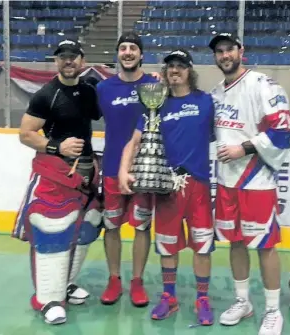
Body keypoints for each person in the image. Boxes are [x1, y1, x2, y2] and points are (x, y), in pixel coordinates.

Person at [118, 49, 216, 325]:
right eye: (170, 66)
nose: (175, 70)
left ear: (190, 70)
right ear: (165, 71)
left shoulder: (206, 102)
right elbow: (135, 141)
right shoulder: (155, 104)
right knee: (167, 245)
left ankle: (203, 299)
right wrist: (124, 170)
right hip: (167, 187)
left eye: (181, 65)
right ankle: (169, 297)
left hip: (198, 185)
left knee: (203, 246)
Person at [12, 39, 104, 325]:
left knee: (86, 227)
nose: (68, 61)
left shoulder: (88, 91)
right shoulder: (46, 95)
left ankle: (65, 284)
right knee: (54, 229)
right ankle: (48, 298)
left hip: (86, 173)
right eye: (63, 56)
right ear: (56, 61)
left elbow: (102, 114)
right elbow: (26, 134)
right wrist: (57, 147)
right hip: (55, 175)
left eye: (73, 56)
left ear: (81, 59)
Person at [208, 33, 290, 335]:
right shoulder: (216, 93)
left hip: (256, 180)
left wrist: (242, 148)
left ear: (241, 51)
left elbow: (284, 131)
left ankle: (272, 310)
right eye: (219, 51)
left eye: (229, 49)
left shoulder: (263, 85)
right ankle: (243, 301)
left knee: (265, 246)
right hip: (227, 182)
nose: (224, 55)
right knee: (235, 242)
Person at [95, 32, 157, 307]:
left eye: (133, 48)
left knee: (142, 226)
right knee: (112, 226)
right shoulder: (103, 89)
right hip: (110, 168)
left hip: (145, 170)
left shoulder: (154, 85)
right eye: (123, 48)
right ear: (117, 54)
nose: (128, 52)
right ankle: (114, 278)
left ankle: (137, 281)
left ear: (141, 54)